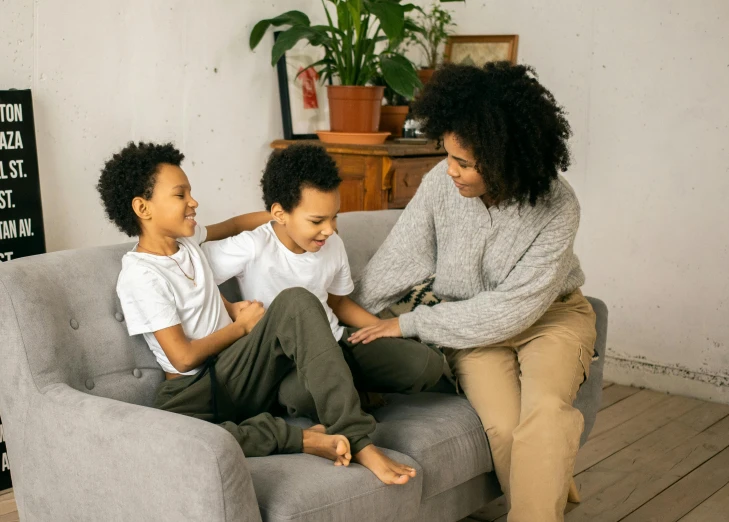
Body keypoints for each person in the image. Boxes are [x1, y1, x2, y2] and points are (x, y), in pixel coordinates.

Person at [349, 62, 597, 520]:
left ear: (505, 160)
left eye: (463, 162)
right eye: (446, 154)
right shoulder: (439, 187)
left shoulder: (559, 205)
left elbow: (513, 310)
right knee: (503, 428)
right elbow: (398, 259)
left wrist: (410, 323)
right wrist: (339, 315)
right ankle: (547, 481)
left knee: (544, 416)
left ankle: (540, 491)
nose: (450, 171)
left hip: (551, 317)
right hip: (469, 326)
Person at [96, 141, 416, 485]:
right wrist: (241, 325)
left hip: (237, 371)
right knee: (183, 439)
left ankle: (355, 436)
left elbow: (234, 227)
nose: (194, 201)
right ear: (143, 208)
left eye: (190, 192)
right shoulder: (140, 274)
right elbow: (182, 357)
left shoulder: (187, 243)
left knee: (296, 301)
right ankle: (305, 440)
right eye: (180, 195)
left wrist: (287, 217)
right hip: (193, 391)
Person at [200, 144, 444, 419]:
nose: (330, 229)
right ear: (280, 214)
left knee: (425, 364)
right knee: (301, 395)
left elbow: (337, 301)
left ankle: (346, 387)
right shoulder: (254, 246)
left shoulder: (332, 243)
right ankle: (347, 391)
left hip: (336, 340)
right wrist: (231, 308)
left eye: (334, 217)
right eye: (317, 220)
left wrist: (382, 328)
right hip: (293, 363)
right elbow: (192, 269)